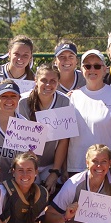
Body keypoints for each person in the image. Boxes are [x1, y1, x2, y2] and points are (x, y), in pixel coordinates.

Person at [66, 50, 111, 175]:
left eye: (97, 66)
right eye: (87, 66)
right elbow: (65, 138)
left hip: (108, 169)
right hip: (77, 168)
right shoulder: (72, 97)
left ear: (104, 70)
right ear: (81, 69)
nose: (92, 69)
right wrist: (64, 168)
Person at [18, 64, 70, 195]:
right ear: (36, 80)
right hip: (28, 161)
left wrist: (55, 171)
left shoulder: (64, 102)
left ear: (58, 83)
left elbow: (64, 140)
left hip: (51, 163)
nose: (48, 85)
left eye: (53, 81)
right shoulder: (23, 101)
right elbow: (21, 139)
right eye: (44, 80)